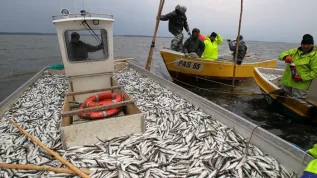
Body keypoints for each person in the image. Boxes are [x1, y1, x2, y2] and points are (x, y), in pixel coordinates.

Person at [279, 34, 317, 100]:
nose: (306, 46)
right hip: (287, 83)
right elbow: (281, 54)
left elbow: (315, 72)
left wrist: (302, 78)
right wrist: (286, 56)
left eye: (308, 44)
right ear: (301, 43)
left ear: (312, 44)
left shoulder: (315, 56)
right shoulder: (295, 51)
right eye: (304, 44)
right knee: (283, 100)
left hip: (300, 86)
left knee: (298, 103)